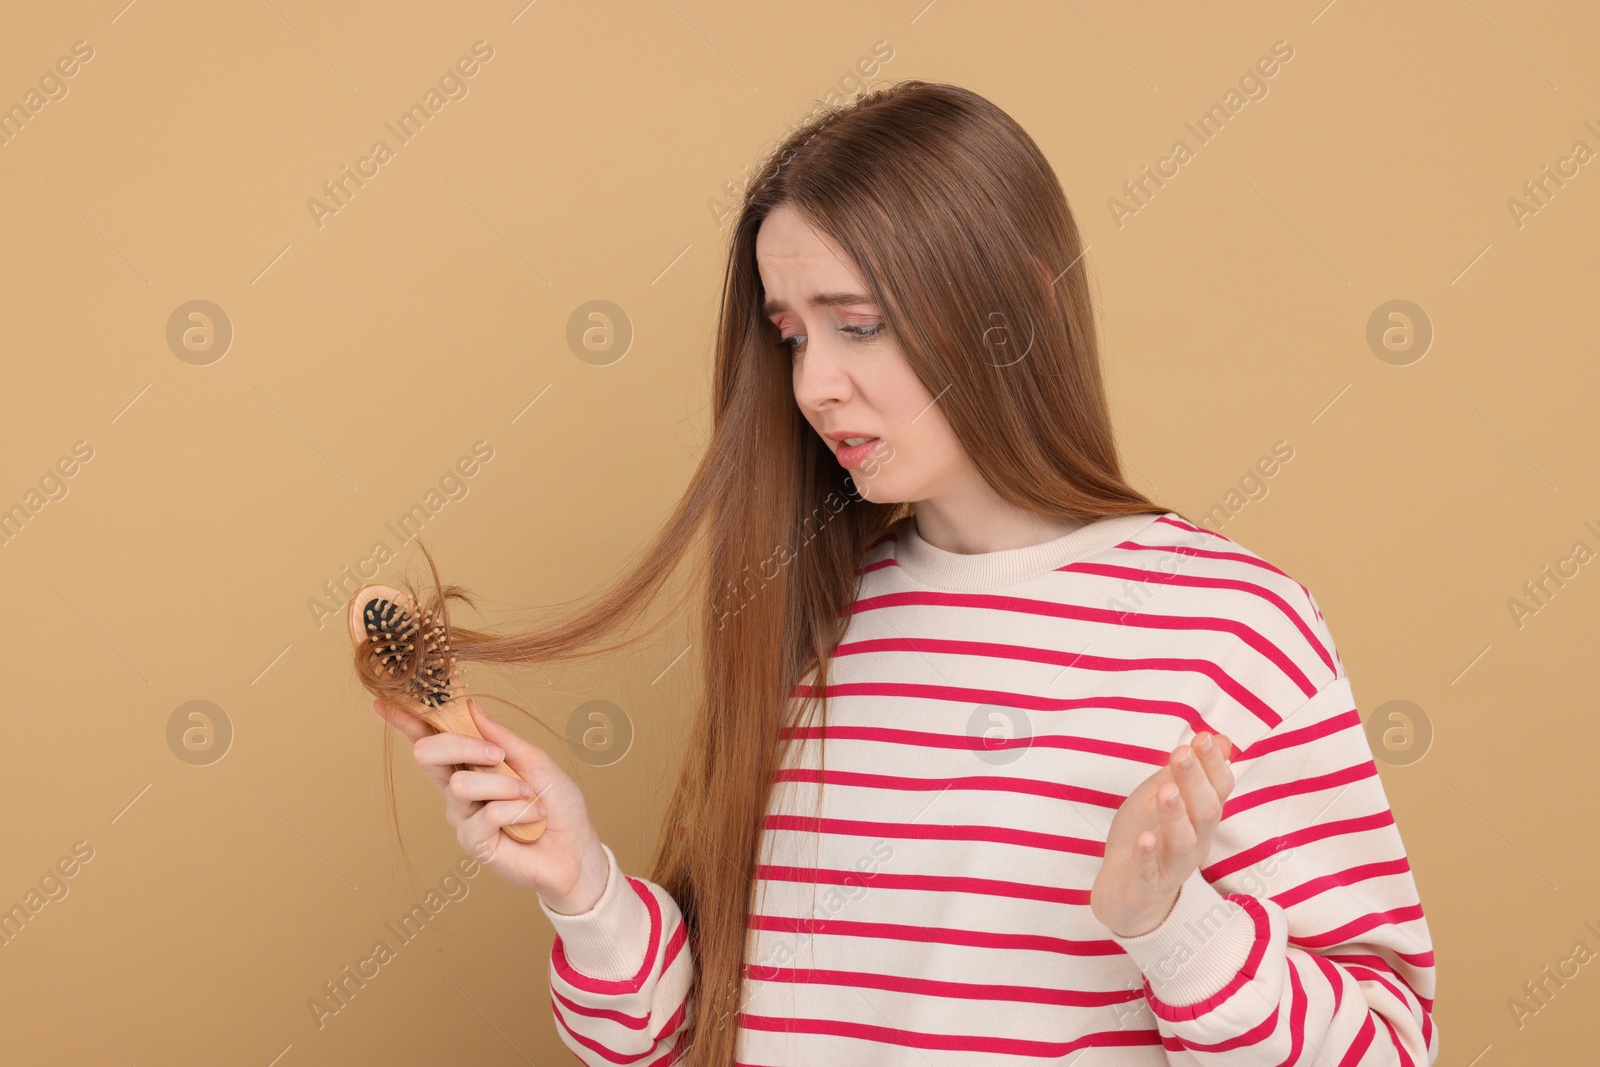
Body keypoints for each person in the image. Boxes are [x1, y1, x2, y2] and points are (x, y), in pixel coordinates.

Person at [370, 80, 1438, 1066]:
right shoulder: (816, 615)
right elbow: (679, 1030)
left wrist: (1175, 925)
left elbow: (1392, 1043)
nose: (815, 384)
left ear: (1017, 306)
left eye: (859, 324)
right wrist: (582, 884)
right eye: (790, 336)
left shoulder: (1229, 627)